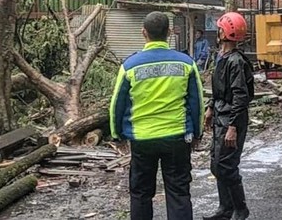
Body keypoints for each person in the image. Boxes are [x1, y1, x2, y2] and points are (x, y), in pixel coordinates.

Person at [109, 11, 205, 220]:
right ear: (169, 32)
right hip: (177, 137)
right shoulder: (186, 63)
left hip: (142, 140)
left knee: (141, 194)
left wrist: (117, 135)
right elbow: (197, 102)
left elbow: (117, 104)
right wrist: (197, 134)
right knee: (179, 192)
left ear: (144, 33)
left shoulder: (129, 66)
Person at [203, 12, 255, 220]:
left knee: (226, 165)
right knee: (216, 163)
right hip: (220, 116)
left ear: (224, 32)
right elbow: (218, 90)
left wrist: (233, 126)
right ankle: (225, 209)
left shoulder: (236, 62)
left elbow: (241, 96)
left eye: (220, 28)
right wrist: (210, 108)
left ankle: (240, 208)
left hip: (232, 119)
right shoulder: (221, 57)